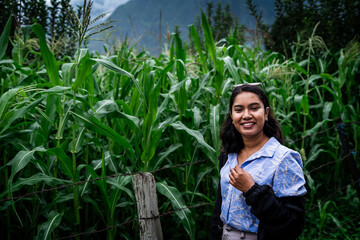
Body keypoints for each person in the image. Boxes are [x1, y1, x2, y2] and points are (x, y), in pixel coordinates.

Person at [210, 84, 307, 240]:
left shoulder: (283, 159)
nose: (246, 115)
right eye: (239, 109)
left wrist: (251, 190)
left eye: (254, 108)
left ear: (266, 113)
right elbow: (219, 209)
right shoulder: (229, 155)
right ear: (232, 116)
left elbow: (293, 225)